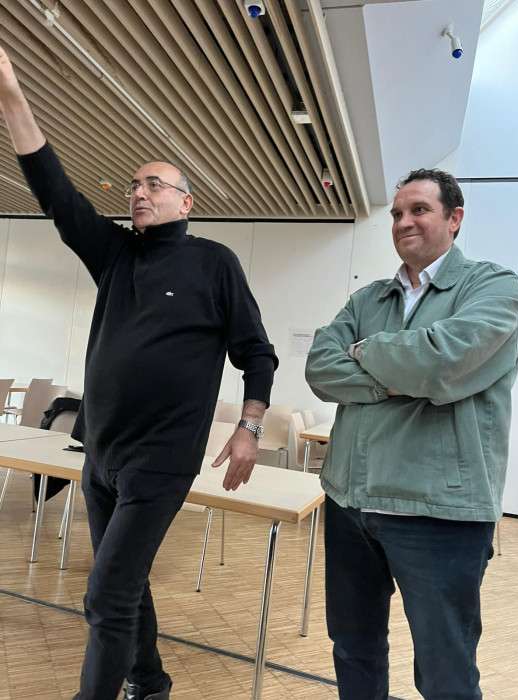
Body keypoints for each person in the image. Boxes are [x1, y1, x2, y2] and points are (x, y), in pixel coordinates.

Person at [0, 46, 278, 700]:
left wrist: (248, 428)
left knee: (106, 593)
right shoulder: (115, 255)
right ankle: (150, 683)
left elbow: (257, 352)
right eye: (133, 184)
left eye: (154, 184)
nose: (139, 192)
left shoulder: (214, 263)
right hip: (100, 454)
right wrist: (11, 96)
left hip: (161, 459)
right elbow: (55, 192)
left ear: (186, 201)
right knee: (124, 583)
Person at [306, 168, 518, 700]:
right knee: (353, 649)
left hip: (438, 513)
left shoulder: (493, 287)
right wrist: (397, 379)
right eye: (398, 213)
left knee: (445, 670)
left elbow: (441, 361)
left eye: (419, 210)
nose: (404, 221)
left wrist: (366, 352)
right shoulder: (368, 299)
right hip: (350, 501)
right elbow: (320, 368)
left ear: (455, 218)